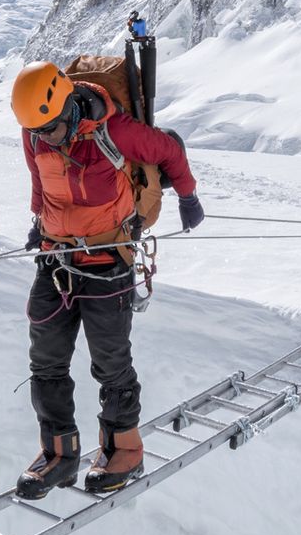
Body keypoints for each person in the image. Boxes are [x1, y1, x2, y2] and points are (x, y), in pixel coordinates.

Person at [10, 60, 203, 499]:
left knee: (110, 362)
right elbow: (40, 178)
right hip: (57, 260)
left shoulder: (114, 131)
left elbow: (169, 152)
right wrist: (39, 222)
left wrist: (188, 196)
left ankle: (125, 451)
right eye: (37, 131)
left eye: (52, 129)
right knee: (46, 360)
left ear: (69, 106)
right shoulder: (35, 131)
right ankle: (59, 454)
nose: (46, 138)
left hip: (108, 261)